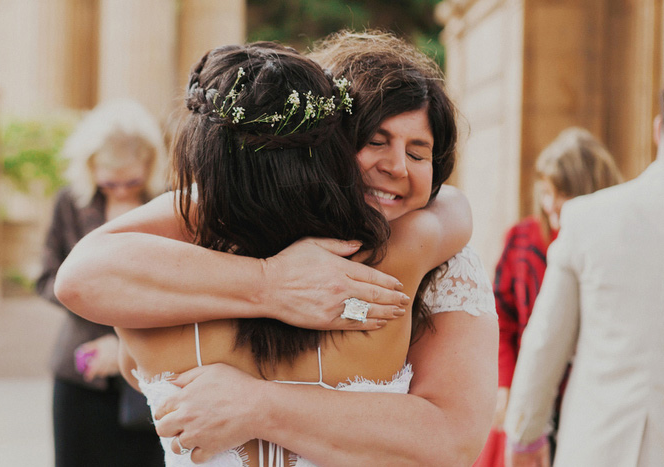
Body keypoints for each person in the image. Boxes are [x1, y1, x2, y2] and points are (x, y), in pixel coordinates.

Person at [56, 31, 498, 465]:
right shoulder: (200, 231)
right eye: (375, 141)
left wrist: (258, 406)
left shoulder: (434, 257)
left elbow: (453, 438)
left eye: (419, 154)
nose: (397, 167)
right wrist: (271, 284)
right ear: (323, 142)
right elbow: (80, 275)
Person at [502, 100, 664, 466]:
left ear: (657, 129)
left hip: (608, 447)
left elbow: (545, 341)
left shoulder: (590, 218)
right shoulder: (528, 235)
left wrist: (525, 439)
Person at [474, 127, 623, 466]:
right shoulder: (522, 239)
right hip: (528, 399)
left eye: (562, 192)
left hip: (588, 407)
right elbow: (501, 316)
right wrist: (508, 384)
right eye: (546, 192)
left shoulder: (612, 247)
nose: (550, 204)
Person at [36, 99, 167, 466]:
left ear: (150, 165)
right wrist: (92, 303)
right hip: (80, 373)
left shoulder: (168, 204)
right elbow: (47, 277)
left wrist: (123, 343)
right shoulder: (69, 204)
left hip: (150, 369)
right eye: (110, 182)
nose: (122, 191)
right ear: (91, 168)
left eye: (132, 181)